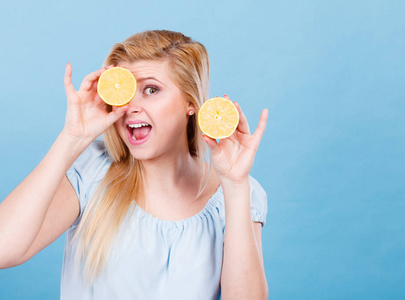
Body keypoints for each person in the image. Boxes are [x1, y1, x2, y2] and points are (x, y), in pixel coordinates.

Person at [0, 30, 269, 299]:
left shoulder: (237, 195)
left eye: (151, 90)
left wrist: (235, 185)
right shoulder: (92, 172)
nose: (130, 107)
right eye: (124, 91)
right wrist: (72, 138)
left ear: (190, 102)